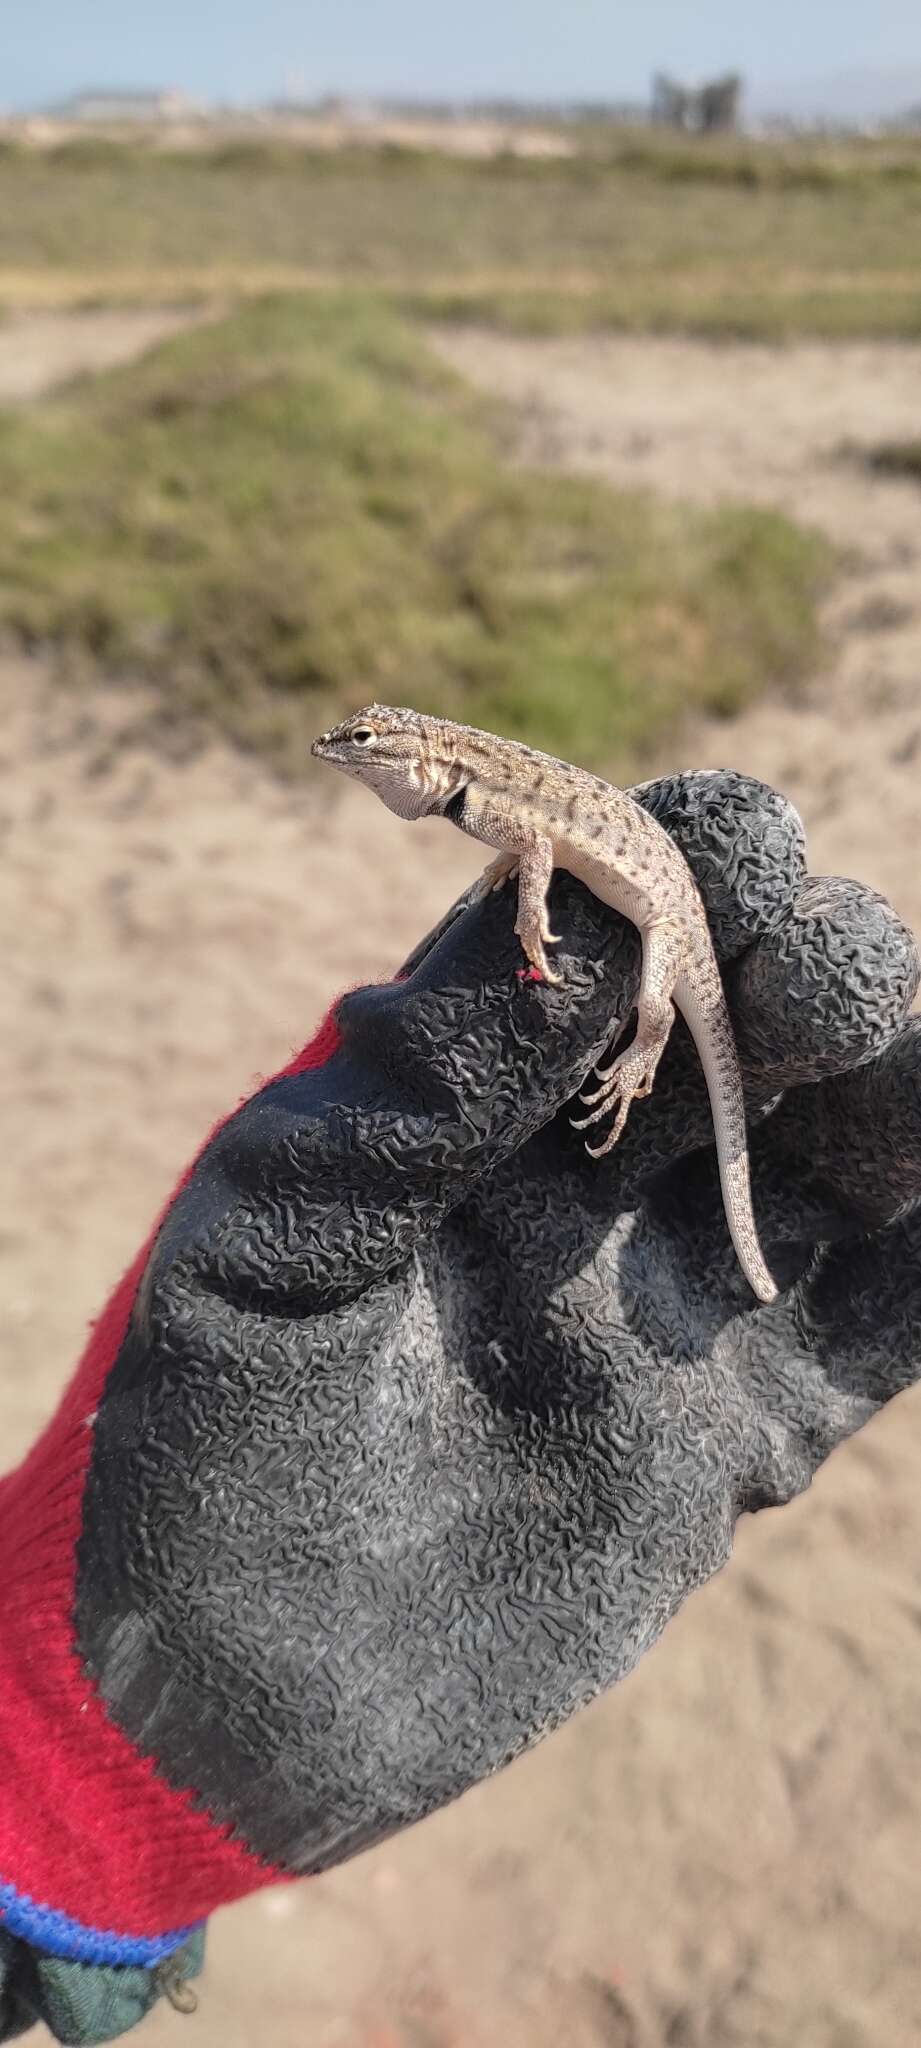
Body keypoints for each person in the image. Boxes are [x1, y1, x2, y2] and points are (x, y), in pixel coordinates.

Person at [1, 768, 919, 2043]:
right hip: (58, 1827)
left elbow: (546, 864)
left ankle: (658, 1061)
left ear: (429, 764)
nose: (359, 762)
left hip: (665, 943)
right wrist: (64, 1762)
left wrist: (52, 1747)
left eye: (371, 749)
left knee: (674, 1014)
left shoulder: (506, 809)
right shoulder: (485, 804)